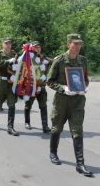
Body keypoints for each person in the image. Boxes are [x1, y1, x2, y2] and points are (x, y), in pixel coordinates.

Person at [46, 34, 92, 176]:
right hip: (62, 101)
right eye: (75, 44)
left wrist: (85, 86)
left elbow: (85, 78)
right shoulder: (59, 61)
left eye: (80, 44)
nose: (78, 47)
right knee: (57, 128)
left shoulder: (82, 61)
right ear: (68, 44)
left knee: (77, 130)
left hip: (78, 101)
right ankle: (53, 153)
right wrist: (63, 88)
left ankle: (80, 163)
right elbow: (49, 80)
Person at [23, 41, 51, 133]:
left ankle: (45, 126)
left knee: (43, 105)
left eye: (39, 47)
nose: (38, 49)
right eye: (36, 47)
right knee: (28, 105)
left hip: (41, 86)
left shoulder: (43, 58)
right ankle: (27, 122)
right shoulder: (28, 58)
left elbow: (52, 62)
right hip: (30, 86)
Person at [0, 38, 18, 136]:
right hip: (2, 82)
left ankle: (10, 127)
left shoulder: (14, 54)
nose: (8, 45)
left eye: (9, 43)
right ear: (2, 45)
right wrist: (8, 61)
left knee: (12, 104)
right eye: (6, 43)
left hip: (11, 82)